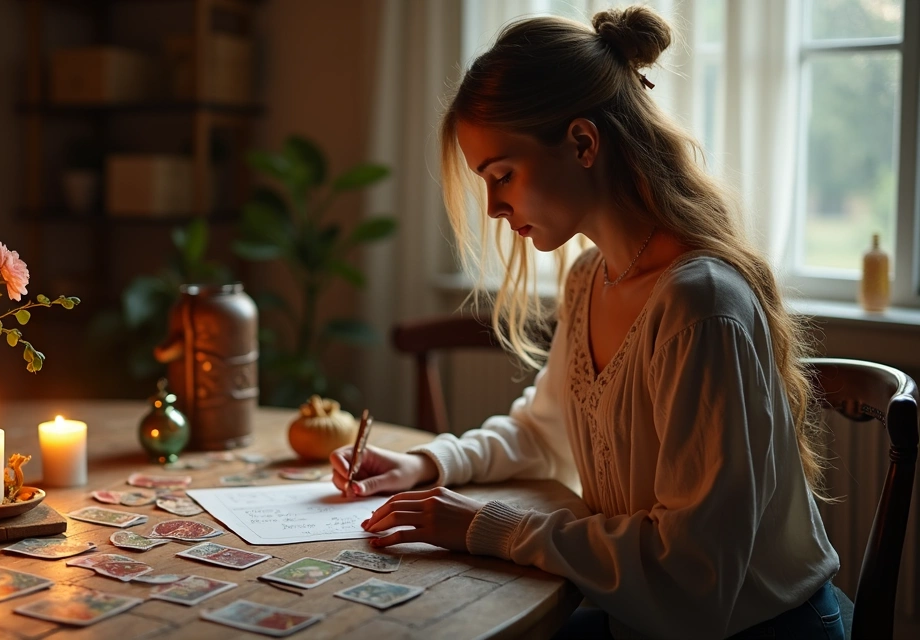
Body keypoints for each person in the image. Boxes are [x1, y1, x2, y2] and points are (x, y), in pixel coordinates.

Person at [331, 6, 843, 639]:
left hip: (756, 629)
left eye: (503, 175)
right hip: (643, 619)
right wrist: (425, 464)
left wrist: (485, 525)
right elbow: (545, 435)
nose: (492, 207)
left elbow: (697, 575)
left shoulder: (699, 305)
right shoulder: (590, 279)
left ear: (581, 143)